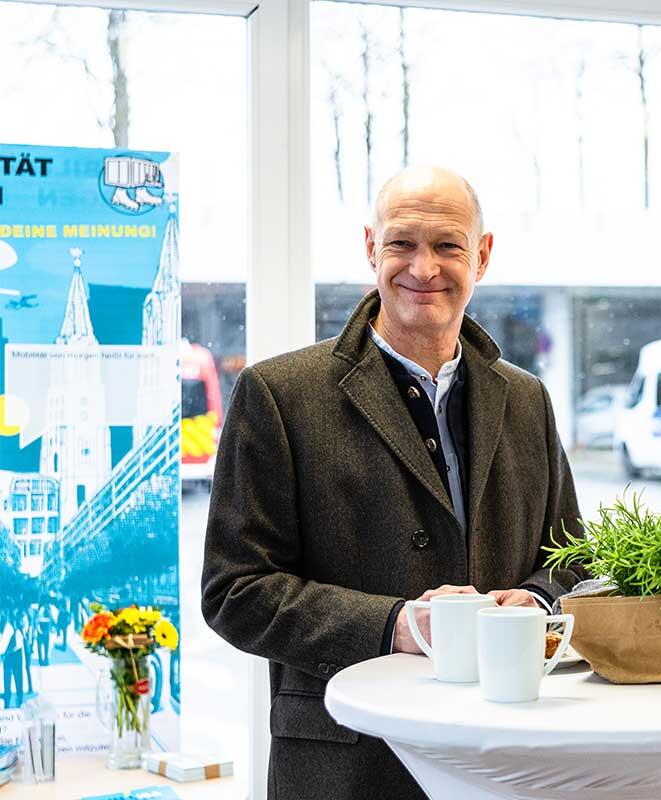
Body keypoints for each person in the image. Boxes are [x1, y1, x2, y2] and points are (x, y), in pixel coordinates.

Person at [202, 165, 587, 800]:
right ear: (370, 249)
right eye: (402, 242)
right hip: (347, 766)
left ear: (482, 256)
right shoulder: (278, 395)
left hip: (507, 759)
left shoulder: (527, 399)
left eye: (448, 246)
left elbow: (574, 560)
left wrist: (535, 604)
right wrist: (398, 625)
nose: (424, 267)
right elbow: (234, 591)